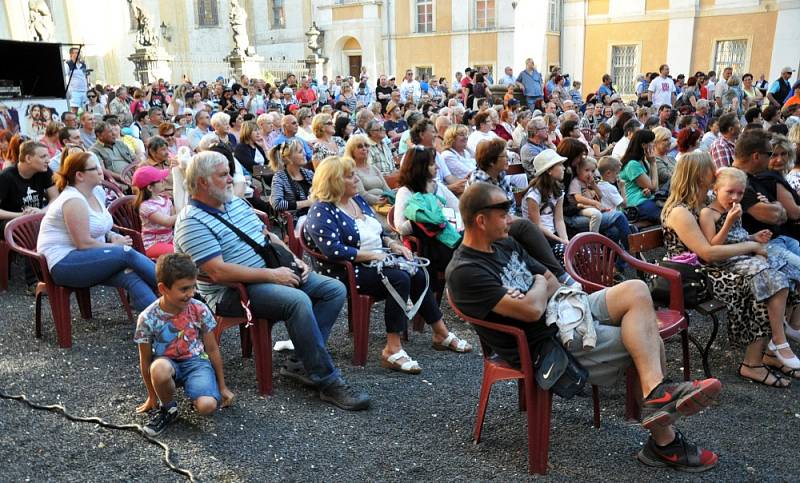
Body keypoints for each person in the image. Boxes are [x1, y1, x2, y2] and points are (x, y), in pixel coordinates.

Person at [448, 181, 722, 472]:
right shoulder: (466, 271)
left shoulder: (503, 243)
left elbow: (550, 280)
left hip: (565, 309)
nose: (511, 217)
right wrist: (537, 288)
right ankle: (665, 442)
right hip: (546, 342)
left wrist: (536, 288)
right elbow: (531, 312)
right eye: (504, 212)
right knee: (645, 338)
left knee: (637, 290)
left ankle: (657, 396)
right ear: (480, 220)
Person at [173, 150, 368, 410]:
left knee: (333, 289)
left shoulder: (235, 203)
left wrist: (292, 260)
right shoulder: (191, 222)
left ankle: (302, 360)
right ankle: (327, 381)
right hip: (233, 293)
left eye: (229, 173)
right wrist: (272, 275)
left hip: (272, 273)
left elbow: (269, 237)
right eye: (223, 175)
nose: (231, 179)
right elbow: (218, 272)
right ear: (202, 182)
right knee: (298, 301)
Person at [304, 156, 471, 375]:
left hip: (377, 260)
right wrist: (372, 256)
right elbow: (333, 251)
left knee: (417, 272)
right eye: (350, 176)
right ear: (334, 181)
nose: (357, 180)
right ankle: (392, 348)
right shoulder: (321, 211)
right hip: (347, 271)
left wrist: (394, 244)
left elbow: (380, 232)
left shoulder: (357, 201)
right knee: (399, 278)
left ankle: (440, 332)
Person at [662, 151, 799, 387]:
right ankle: (752, 364)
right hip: (693, 275)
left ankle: (768, 353)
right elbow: (708, 253)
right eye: (710, 170)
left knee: (782, 276)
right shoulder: (680, 211)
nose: (715, 173)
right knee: (761, 284)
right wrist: (752, 245)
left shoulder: (701, 204)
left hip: (711, 267)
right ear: (698, 175)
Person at [37, 151, 157, 310]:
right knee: (126, 253)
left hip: (87, 257)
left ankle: (163, 323)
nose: (101, 171)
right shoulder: (73, 200)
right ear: (80, 175)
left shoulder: (97, 192)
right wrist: (116, 247)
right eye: (95, 168)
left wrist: (112, 236)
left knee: (131, 276)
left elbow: (99, 225)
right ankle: (177, 288)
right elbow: (84, 243)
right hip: (64, 263)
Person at [134, 253, 234, 436]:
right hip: (167, 362)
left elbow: (212, 348)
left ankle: (197, 393)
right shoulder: (147, 318)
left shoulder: (199, 309)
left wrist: (222, 386)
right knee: (159, 369)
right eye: (184, 289)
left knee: (208, 406)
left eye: (193, 286)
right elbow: (145, 359)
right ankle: (168, 408)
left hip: (196, 362)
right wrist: (151, 395)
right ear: (163, 288)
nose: (191, 293)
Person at [522, 149, 569, 263]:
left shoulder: (558, 191)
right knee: (565, 253)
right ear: (549, 171)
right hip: (538, 237)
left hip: (553, 235)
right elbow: (537, 225)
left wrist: (565, 240)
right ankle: (569, 279)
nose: (563, 168)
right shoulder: (533, 195)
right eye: (560, 165)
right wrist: (559, 241)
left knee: (577, 250)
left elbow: (559, 220)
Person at [269, 138, 314, 226]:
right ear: (288, 158)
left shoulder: (309, 174)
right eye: (300, 152)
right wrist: (307, 203)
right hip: (296, 221)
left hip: (314, 215)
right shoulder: (280, 177)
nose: (305, 154)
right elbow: (277, 203)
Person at [133, 166, 175, 259]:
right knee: (178, 252)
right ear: (150, 187)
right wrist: (186, 210)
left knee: (188, 245)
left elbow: (174, 217)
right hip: (152, 244)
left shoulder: (165, 199)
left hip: (169, 238)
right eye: (159, 180)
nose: (163, 181)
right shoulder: (146, 206)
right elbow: (167, 221)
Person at [620, 129, 661, 222]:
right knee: (667, 216)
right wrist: (653, 163)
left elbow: (653, 189)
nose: (654, 145)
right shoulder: (632, 164)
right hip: (636, 205)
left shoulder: (641, 160)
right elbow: (654, 187)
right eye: (652, 142)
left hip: (646, 199)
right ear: (643, 145)